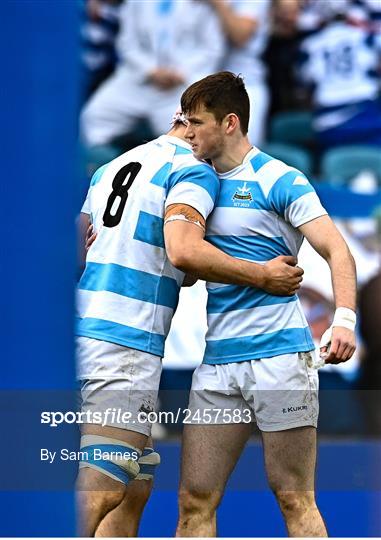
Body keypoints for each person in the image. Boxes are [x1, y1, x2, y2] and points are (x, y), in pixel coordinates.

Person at [75, 110, 304, 536]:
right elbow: (185, 253)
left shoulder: (113, 165)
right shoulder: (192, 170)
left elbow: (79, 244)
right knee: (102, 486)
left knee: (135, 482)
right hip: (126, 337)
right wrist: (261, 275)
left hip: (87, 323)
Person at [174, 72, 357, 537]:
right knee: (195, 500)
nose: (187, 132)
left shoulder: (279, 178)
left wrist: (344, 321)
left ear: (230, 122)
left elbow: (338, 251)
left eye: (196, 122)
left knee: (295, 498)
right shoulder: (197, 185)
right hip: (218, 363)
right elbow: (191, 268)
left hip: (279, 359)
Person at [80, 0, 224, 149]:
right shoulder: (135, 3)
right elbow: (126, 44)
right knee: (94, 116)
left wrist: (180, 72)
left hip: (182, 84)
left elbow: (212, 49)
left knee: (191, 134)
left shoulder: (202, 4)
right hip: (140, 79)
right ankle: (102, 167)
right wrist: (150, 71)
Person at [204, 0, 271, 145]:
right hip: (205, 84)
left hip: (244, 86)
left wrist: (218, 3)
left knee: (239, 158)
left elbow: (240, 35)